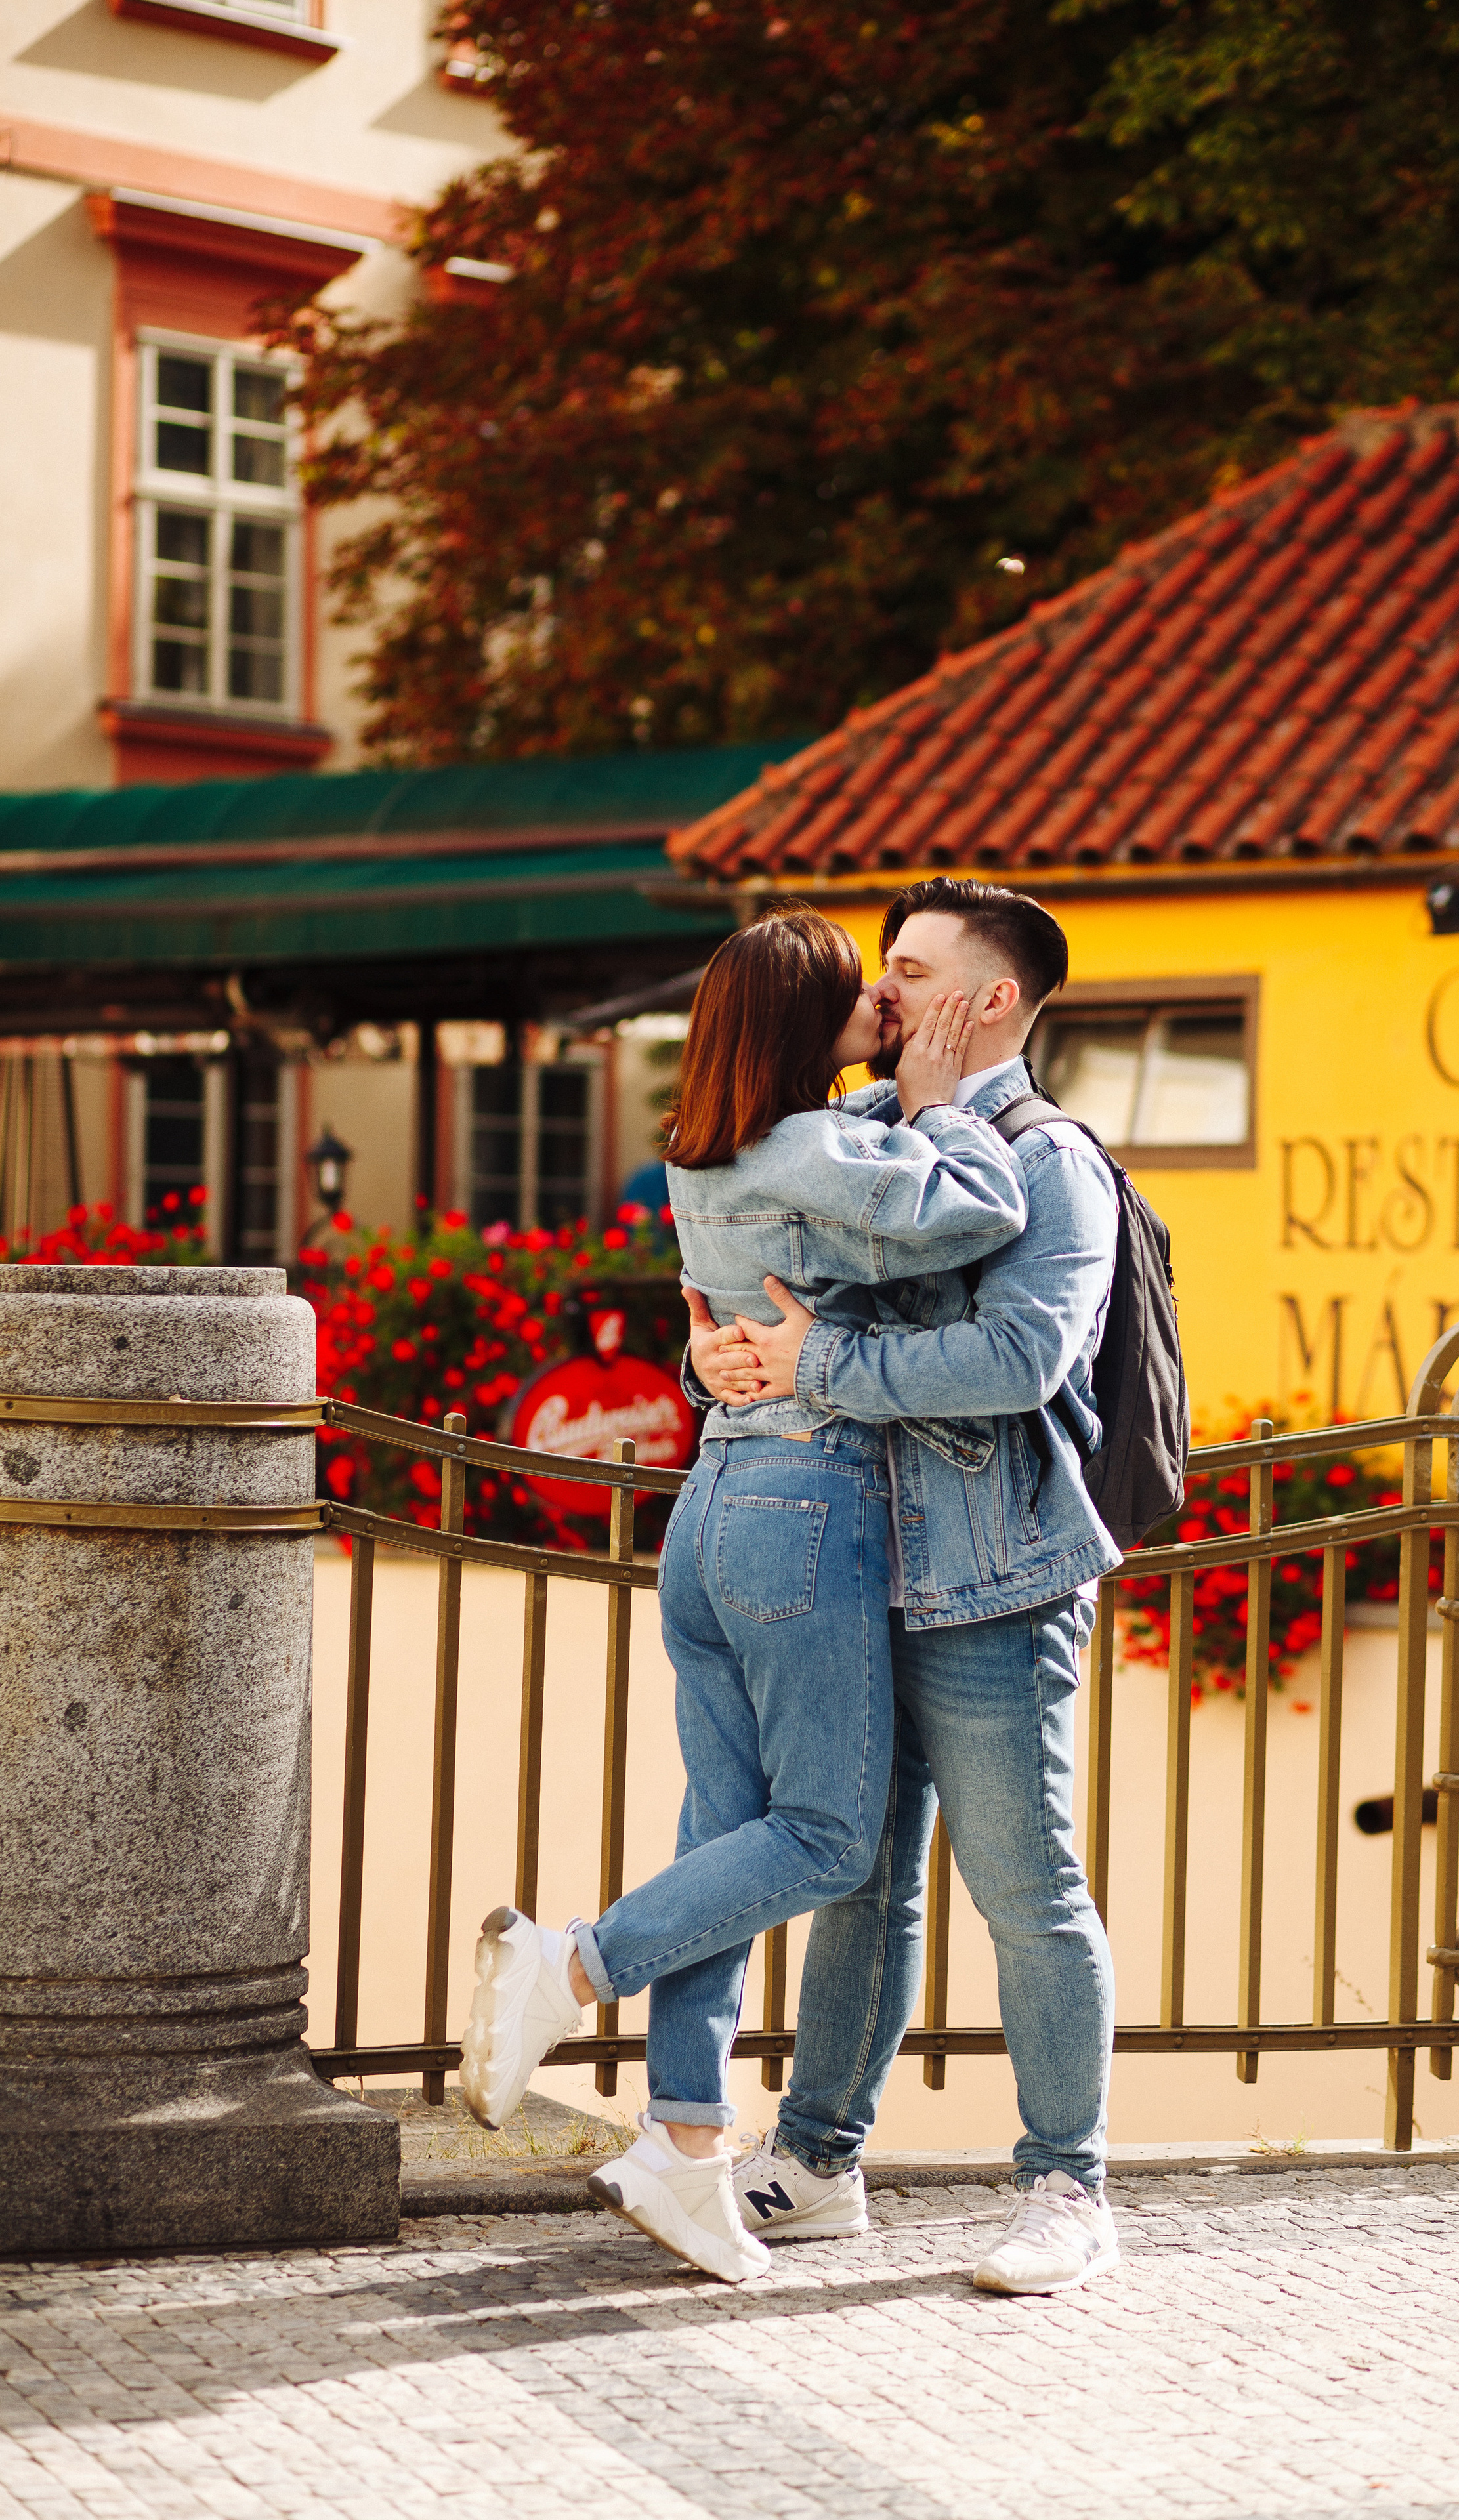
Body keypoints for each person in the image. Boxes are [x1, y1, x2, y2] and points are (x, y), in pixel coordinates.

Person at [457, 906, 1031, 2283]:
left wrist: (889, 1113)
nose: (881, 1004)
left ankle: (686, 2141)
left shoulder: (701, 1151)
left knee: (725, 1836)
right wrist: (938, 1102)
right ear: (797, 1024)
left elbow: (763, 1279)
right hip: (806, 1505)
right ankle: (573, 1963)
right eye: (857, 990)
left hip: (713, 1508)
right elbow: (985, 1210)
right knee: (830, 1838)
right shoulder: (820, 1149)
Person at [687, 879, 1125, 2296]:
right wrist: (717, 1356)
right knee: (860, 1882)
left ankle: (1067, 2186)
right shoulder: (861, 1129)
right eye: (884, 967)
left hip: (994, 1576)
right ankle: (818, 2161)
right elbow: (765, 1272)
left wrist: (815, 1365)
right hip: (856, 1561)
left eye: (914, 972)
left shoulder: (1050, 1162)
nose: (883, 992)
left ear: (990, 1001)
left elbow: (1018, 1360)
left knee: (1025, 1887)